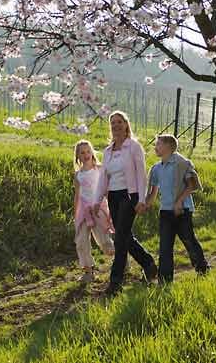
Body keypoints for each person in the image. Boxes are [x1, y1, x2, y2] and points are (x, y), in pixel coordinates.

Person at [93, 111, 157, 296]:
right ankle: (148, 263)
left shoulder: (133, 147)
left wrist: (142, 200)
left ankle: (115, 283)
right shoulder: (107, 151)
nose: (116, 125)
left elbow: (141, 175)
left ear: (126, 125)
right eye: (113, 123)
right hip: (113, 196)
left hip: (130, 196)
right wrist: (98, 200)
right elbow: (103, 178)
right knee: (124, 235)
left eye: (119, 122)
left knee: (120, 238)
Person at [145, 134, 210, 283]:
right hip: (165, 212)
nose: (155, 147)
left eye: (158, 144)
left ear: (168, 146)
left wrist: (179, 201)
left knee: (188, 240)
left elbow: (192, 185)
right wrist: (145, 205)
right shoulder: (156, 169)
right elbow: (153, 192)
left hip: (182, 210)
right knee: (165, 247)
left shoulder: (182, 163)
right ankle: (165, 280)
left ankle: (202, 269)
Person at [73, 140, 115, 283]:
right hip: (83, 212)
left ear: (92, 152)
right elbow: (77, 196)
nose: (86, 154)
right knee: (81, 241)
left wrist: (111, 207)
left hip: (98, 208)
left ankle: (121, 260)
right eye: (82, 152)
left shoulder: (100, 169)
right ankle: (88, 272)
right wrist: (75, 214)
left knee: (104, 241)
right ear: (78, 156)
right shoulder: (78, 175)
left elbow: (107, 189)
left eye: (88, 151)